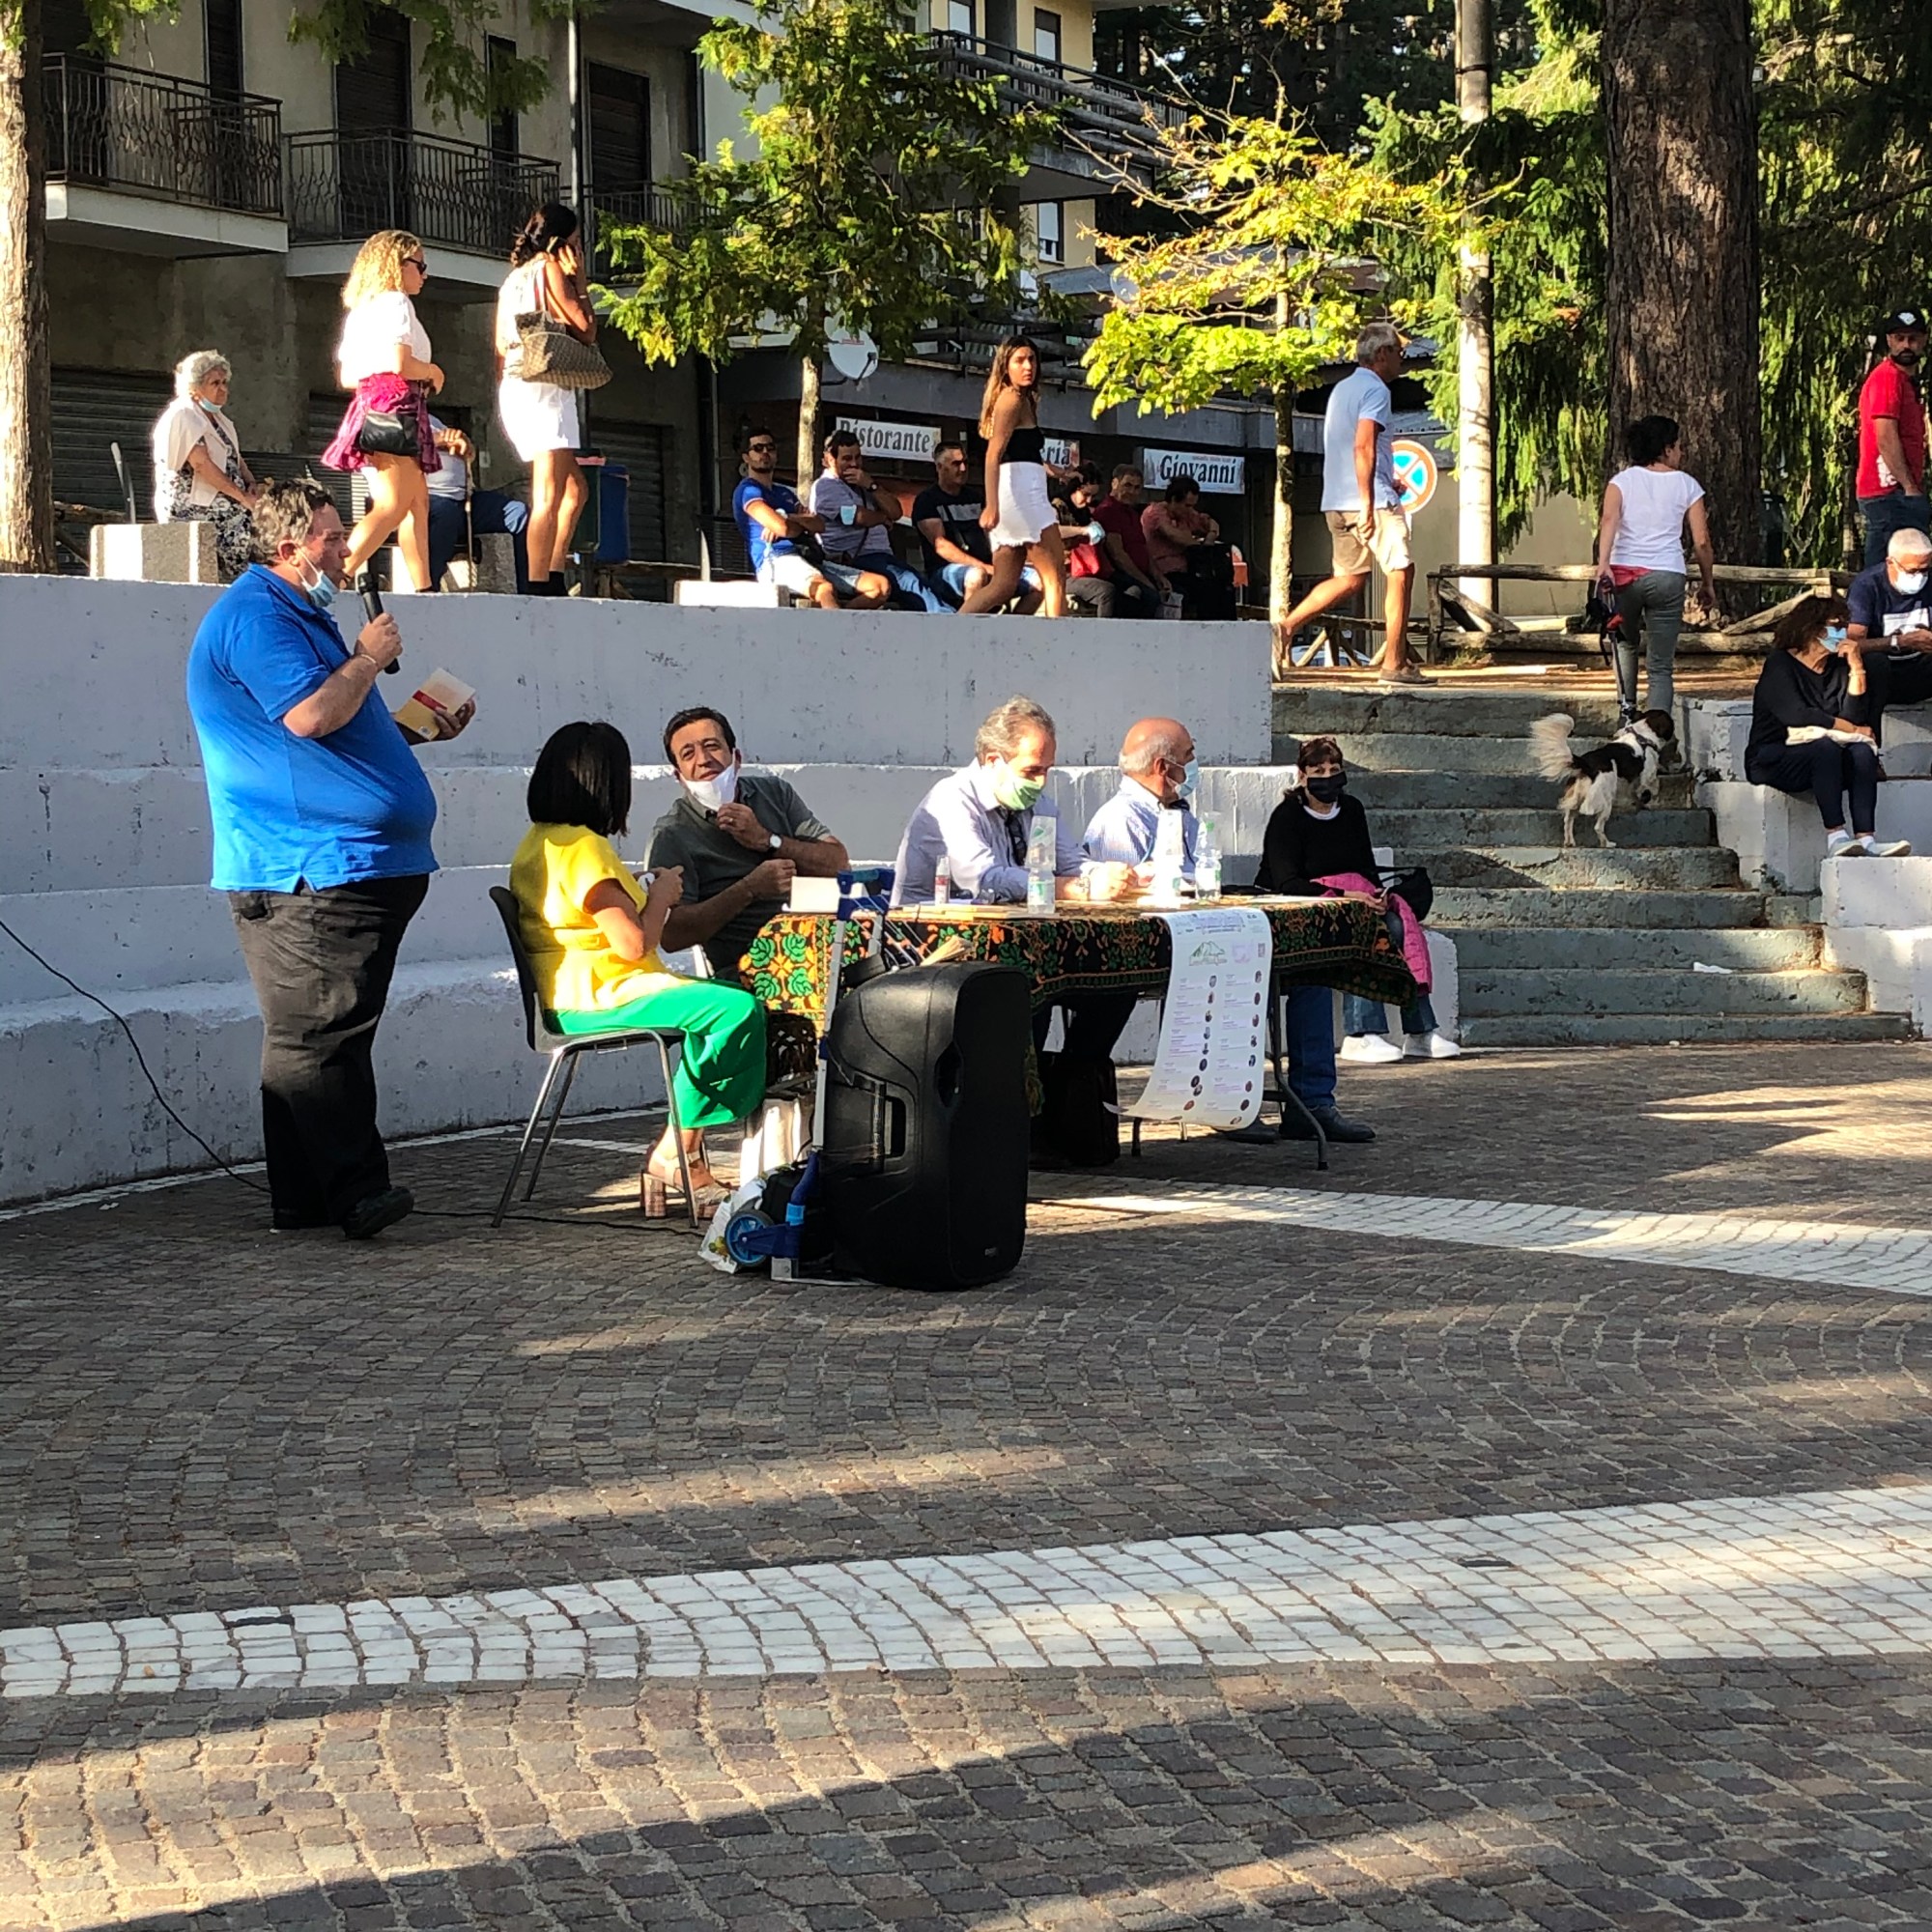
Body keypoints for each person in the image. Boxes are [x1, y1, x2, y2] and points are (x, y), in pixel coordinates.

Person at [185, 480, 475, 1239]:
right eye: (332, 538)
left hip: (344, 862)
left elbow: (340, 729)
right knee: (320, 1033)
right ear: (289, 549)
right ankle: (353, 1192)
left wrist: (416, 728)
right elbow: (312, 716)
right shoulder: (258, 617)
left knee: (320, 1031)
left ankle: (305, 1198)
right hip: (305, 869)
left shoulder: (301, 615)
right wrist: (367, 659)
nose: (348, 550)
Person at [1083, 718, 1374, 1145]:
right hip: (1166, 948)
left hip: (1205, 932)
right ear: (1164, 767)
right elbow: (1128, 906)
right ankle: (1230, 1097)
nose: (1194, 765)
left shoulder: (1179, 812)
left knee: (1310, 971)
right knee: (1240, 975)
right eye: (1189, 757)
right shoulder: (1120, 820)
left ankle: (1311, 1102)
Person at [512, 720, 768, 1202]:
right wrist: (664, 896)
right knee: (735, 1010)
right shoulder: (584, 848)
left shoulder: (539, 842)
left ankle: (682, 1151)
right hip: (601, 994)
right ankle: (677, 1153)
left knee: (727, 1000)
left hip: (574, 992)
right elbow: (634, 944)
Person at [1258, 736, 1461, 1065]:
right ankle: (1361, 1033)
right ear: (1302, 775)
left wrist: (1376, 895)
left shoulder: (1351, 809)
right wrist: (1344, 897)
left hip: (1356, 895)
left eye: (1333, 769)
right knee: (1362, 927)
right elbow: (1286, 881)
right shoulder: (1288, 816)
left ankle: (1420, 1032)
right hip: (1309, 904)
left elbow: (1365, 865)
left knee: (1396, 924)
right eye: (1318, 771)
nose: (1327, 777)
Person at [646, 705, 851, 984]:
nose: (704, 760)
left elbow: (839, 864)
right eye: (688, 754)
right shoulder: (673, 833)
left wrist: (768, 840)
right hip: (752, 970)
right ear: (678, 775)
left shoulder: (775, 794)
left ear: (736, 758)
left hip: (822, 946)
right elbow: (672, 936)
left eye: (712, 746)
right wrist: (749, 889)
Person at [1277, 322, 1422, 685]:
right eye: (1399, 352)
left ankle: (1285, 627)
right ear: (1382, 354)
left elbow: (1348, 447)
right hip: (1368, 501)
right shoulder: (1376, 390)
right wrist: (1369, 501)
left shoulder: (1341, 389)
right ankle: (1394, 663)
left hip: (1335, 500)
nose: (1402, 359)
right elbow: (1363, 445)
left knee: (1349, 578)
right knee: (1401, 571)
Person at [891, 696, 1133, 907]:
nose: (1041, 782)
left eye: (1047, 770)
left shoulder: (1040, 804)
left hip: (1006, 925)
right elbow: (986, 881)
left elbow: (1071, 863)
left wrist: (1106, 876)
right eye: (1031, 771)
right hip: (929, 934)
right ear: (993, 761)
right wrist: (1073, 888)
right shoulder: (951, 801)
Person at [1744, 594, 1913, 860]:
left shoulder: (1838, 667)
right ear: (1811, 628)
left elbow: (1853, 715)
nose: (1843, 632)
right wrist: (1849, 728)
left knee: (1862, 752)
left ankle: (1866, 838)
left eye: (1845, 625)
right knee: (1825, 748)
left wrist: (1857, 668)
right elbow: (1795, 714)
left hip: (1827, 758)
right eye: (1836, 625)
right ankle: (1836, 835)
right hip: (1775, 756)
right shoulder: (1780, 664)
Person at [321, 229, 442, 593]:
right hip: (398, 403)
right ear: (397, 264)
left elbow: (347, 377)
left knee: (416, 502)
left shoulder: (361, 311)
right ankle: (334, 578)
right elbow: (401, 363)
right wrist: (432, 372)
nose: (424, 274)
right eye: (420, 265)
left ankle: (424, 588)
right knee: (394, 503)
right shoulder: (396, 302)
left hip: (372, 402)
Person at [497, 204, 596, 596]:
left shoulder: (512, 280)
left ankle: (553, 571)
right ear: (561, 243)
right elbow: (586, 329)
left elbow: (500, 344)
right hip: (545, 386)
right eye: (576, 241)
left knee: (575, 489)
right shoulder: (549, 269)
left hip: (516, 383)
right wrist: (580, 281)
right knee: (548, 495)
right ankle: (539, 584)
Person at [1594, 413, 1718, 717]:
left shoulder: (1620, 482)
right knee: (1661, 664)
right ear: (1666, 449)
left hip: (1624, 573)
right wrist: (1707, 583)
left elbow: (1609, 521)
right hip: (1667, 573)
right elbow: (1701, 541)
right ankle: (1658, 730)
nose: (1681, 452)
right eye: (1678, 446)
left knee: (1625, 644)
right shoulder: (1687, 485)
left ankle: (1627, 715)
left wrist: (1603, 564)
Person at [363, 415, 532, 593]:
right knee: (445, 515)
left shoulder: (431, 419)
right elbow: (393, 445)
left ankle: (530, 592)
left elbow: (465, 449)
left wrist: (466, 446)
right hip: (429, 499)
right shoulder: (382, 417)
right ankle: (428, 594)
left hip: (465, 497)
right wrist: (439, 440)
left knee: (520, 514)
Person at [962, 335, 1067, 617]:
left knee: (1003, 584)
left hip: (1019, 489)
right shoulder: (1011, 399)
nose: (1028, 366)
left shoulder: (1023, 399)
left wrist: (1054, 471)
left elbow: (1020, 452)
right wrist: (991, 505)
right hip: (1022, 496)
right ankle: (1059, 638)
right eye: (1019, 360)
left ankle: (954, 627)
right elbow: (993, 454)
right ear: (1005, 366)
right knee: (1054, 576)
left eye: (1031, 359)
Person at [731, 424, 885, 609]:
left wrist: (787, 516)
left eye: (770, 447)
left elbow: (819, 524)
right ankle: (838, 624)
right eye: (758, 448)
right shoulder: (747, 490)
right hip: (776, 559)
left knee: (879, 587)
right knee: (823, 588)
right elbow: (783, 528)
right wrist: (796, 524)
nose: (765, 452)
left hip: (808, 556)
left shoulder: (784, 493)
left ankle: (835, 618)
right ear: (746, 457)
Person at [810, 430, 947, 611]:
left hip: (883, 556)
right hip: (856, 558)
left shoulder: (863, 484)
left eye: (858, 457)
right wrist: (882, 517)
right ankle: (948, 619)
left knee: (919, 582)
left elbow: (896, 512)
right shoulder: (826, 487)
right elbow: (856, 517)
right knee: (910, 582)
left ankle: (949, 616)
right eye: (847, 459)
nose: (854, 464)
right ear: (830, 460)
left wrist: (871, 486)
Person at [151, 350, 259, 580]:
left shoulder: (218, 419)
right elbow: (201, 464)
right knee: (254, 534)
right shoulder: (183, 415)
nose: (223, 389)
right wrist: (242, 497)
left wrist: (251, 483)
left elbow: (234, 457)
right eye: (215, 383)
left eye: (224, 382)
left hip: (226, 504)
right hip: (194, 508)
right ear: (195, 387)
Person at [913, 440, 1040, 611]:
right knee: (976, 576)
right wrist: (983, 567)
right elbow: (941, 546)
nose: (963, 469)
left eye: (965, 463)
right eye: (956, 464)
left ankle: (1010, 625)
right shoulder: (927, 500)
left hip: (990, 565)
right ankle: (969, 626)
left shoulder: (975, 497)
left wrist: (1004, 565)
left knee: (1039, 580)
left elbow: (993, 534)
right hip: (946, 572)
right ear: (940, 467)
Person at [1858, 308, 1929, 569]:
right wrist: (1909, 486)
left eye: (1913, 338)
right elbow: (1885, 435)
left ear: (1924, 340)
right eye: (1899, 338)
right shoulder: (1887, 378)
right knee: (1892, 572)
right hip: (1888, 492)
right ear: (1889, 340)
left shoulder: (1905, 382)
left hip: (1896, 493)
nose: (1906, 345)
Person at [1847, 526, 1932, 666]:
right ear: (1890, 563)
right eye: (1911, 571)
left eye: (1924, 570)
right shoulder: (1866, 586)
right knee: (1875, 661)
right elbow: (1852, 643)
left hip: (1924, 661)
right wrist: (1898, 641)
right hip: (1883, 664)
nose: (1920, 576)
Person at [1092, 467, 1167, 619]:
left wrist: (1159, 577)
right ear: (1114, 483)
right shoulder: (1108, 510)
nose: (1132, 491)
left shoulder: (1132, 513)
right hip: (1118, 575)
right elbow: (1118, 555)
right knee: (1149, 597)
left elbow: (1143, 548)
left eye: (1137, 488)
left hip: (1140, 573)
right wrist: (1145, 582)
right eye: (1127, 485)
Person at [1141, 474, 1221, 605]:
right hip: (1162, 572)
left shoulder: (1187, 514)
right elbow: (1174, 535)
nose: (1190, 510)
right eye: (1187, 505)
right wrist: (1199, 545)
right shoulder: (1154, 513)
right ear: (1174, 500)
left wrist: (1211, 535)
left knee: (1217, 589)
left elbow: (1211, 523)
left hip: (1185, 571)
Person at [1052, 467, 1117, 618]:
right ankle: (1102, 631)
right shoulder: (1056, 506)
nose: (1088, 501)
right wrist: (1082, 530)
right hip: (1061, 572)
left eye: (1092, 496)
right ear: (1073, 489)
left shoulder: (1085, 512)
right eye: (1085, 494)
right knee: (1106, 591)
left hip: (1085, 569)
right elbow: (1053, 531)